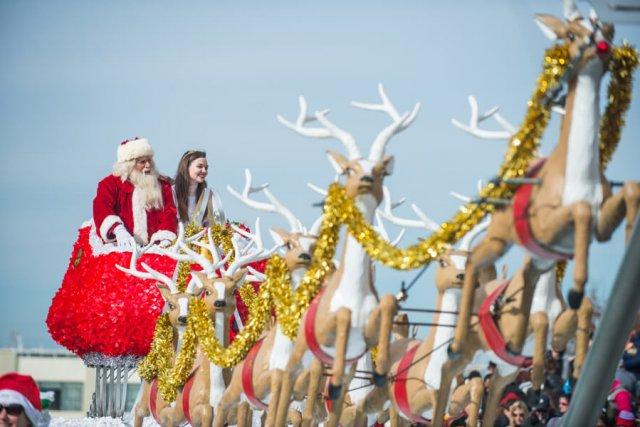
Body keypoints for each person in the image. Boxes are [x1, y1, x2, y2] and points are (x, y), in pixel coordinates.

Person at [93, 137, 177, 247]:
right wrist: (118, 230)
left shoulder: (162, 185)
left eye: (149, 160)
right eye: (142, 162)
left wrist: (164, 236)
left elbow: (170, 212)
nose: (148, 165)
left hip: (155, 248)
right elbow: (102, 208)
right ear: (129, 165)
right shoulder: (109, 184)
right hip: (120, 247)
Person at [173, 150, 225, 226]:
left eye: (206, 168)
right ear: (186, 167)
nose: (204, 171)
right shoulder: (172, 191)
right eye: (200, 166)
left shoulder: (209, 195)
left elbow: (217, 225)